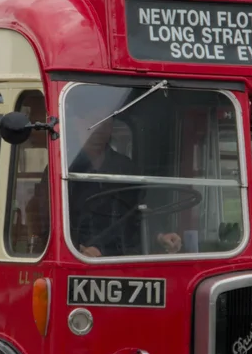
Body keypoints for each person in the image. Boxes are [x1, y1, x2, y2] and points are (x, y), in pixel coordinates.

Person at [68, 109, 182, 257]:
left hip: (119, 256)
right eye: (91, 123)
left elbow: (140, 212)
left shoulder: (126, 168)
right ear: (77, 124)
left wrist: (160, 235)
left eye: (105, 122)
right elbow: (44, 219)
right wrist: (78, 250)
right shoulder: (64, 167)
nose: (98, 129)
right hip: (74, 255)